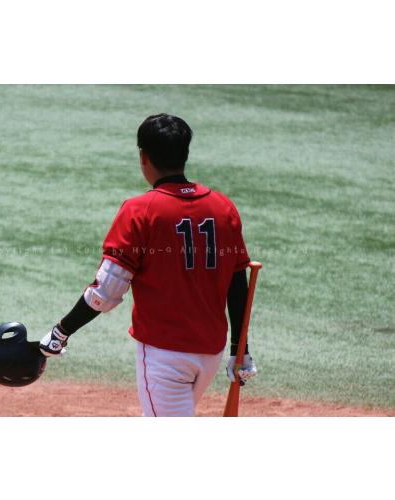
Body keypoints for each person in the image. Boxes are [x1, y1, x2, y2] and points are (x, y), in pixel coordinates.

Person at [40, 113, 257, 417]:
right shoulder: (223, 208)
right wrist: (239, 347)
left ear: (143, 157)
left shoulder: (140, 211)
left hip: (165, 358)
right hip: (210, 353)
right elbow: (238, 283)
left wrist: (62, 331)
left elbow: (106, 293)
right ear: (185, 154)